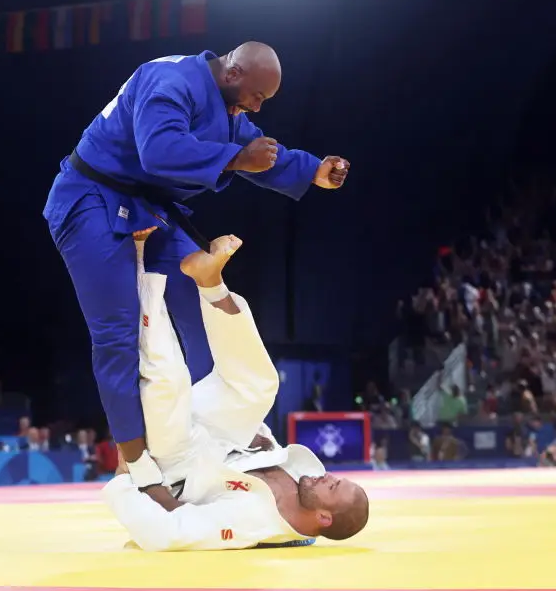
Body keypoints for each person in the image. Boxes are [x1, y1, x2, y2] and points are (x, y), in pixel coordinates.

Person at [43, 42, 351, 489]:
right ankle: (136, 465)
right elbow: (160, 151)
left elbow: (258, 149)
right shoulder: (168, 81)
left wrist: (313, 170)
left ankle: (225, 432)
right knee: (118, 333)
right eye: (258, 97)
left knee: (201, 303)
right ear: (233, 71)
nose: (257, 107)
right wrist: (236, 160)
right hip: (89, 198)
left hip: (146, 205)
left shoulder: (224, 101)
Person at [101, 231, 369, 551]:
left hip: (181, 459)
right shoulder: (307, 479)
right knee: (259, 388)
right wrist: (254, 432)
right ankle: (211, 284)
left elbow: (167, 534)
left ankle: (137, 261)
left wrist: (124, 480)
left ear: (324, 517)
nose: (329, 476)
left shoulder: (253, 522)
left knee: (168, 378)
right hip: (225, 437)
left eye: (334, 486)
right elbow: (259, 448)